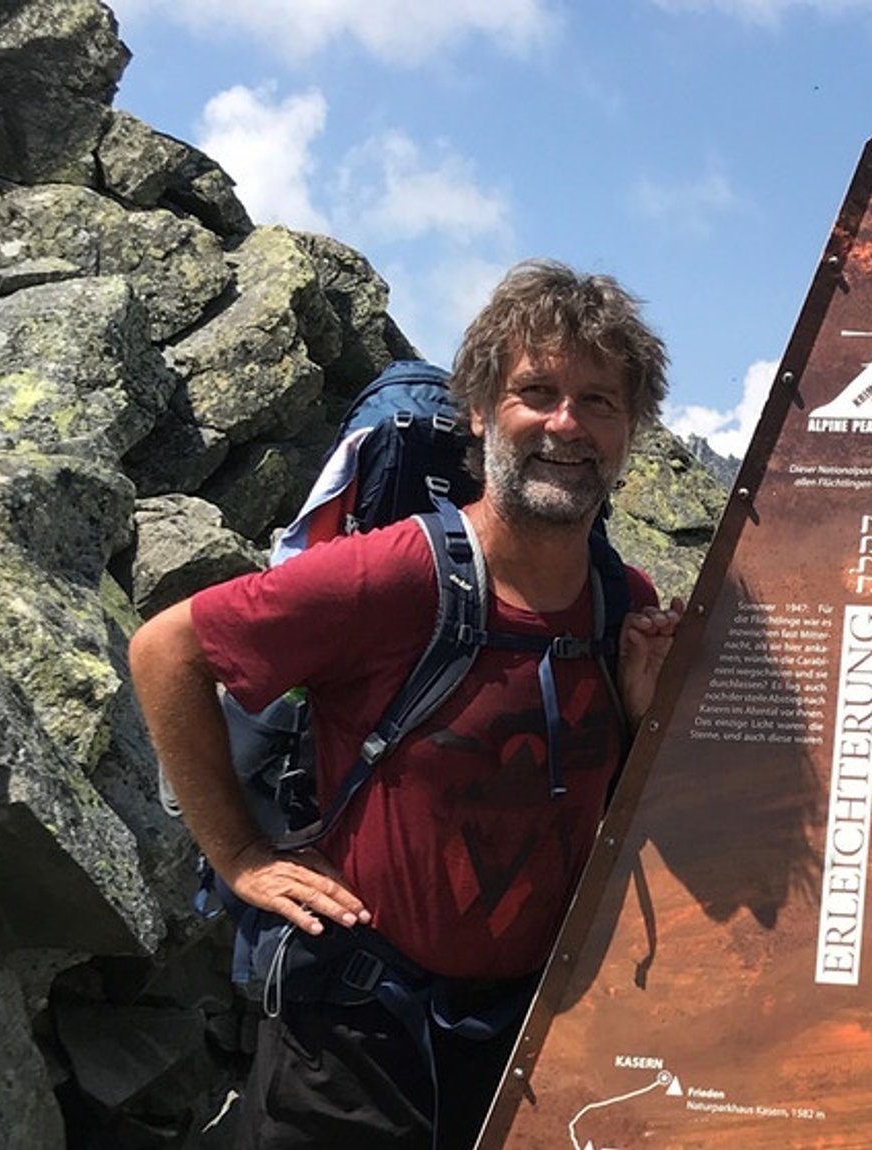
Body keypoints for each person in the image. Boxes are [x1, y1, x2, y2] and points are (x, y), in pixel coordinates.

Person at [130, 259, 683, 1149]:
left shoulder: (624, 601)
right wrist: (238, 855)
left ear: (630, 430)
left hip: (530, 1035)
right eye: (534, 392)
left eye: (599, 401)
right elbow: (167, 651)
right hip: (354, 1036)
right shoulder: (397, 572)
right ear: (479, 411)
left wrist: (638, 711)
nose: (566, 424)